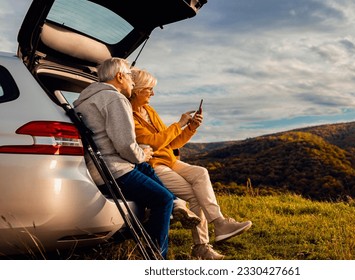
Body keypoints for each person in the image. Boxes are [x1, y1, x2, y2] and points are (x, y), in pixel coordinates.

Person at [73, 58, 199, 259]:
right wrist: (143, 153)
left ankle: (177, 204)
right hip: (113, 170)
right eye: (130, 77)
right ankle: (157, 258)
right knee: (162, 199)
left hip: (99, 166)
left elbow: (109, 138)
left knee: (147, 169)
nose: (133, 82)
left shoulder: (85, 99)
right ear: (120, 76)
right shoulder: (115, 99)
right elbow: (125, 145)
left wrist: (139, 154)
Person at [129, 67, 252, 260]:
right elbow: (155, 141)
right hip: (153, 165)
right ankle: (202, 246)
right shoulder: (129, 115)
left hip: (169, 160)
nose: (153, 94)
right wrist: (178, 124)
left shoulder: (149, 111)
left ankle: (219, 223)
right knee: (196, 195)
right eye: (149, 89)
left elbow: (171, 142)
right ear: (137, 90)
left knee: (201, 172)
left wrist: (191, 127)